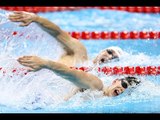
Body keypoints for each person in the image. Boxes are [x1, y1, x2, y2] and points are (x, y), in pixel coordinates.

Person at [8, 11, 140, 100]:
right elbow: (58, 33)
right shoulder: (79, 53)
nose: (109, 57)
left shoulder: (98, 85)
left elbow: (74, 75)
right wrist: (37, 19)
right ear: (103, 50)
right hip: (26, 80)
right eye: (110, 52)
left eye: (114, 58)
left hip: (35, 96)